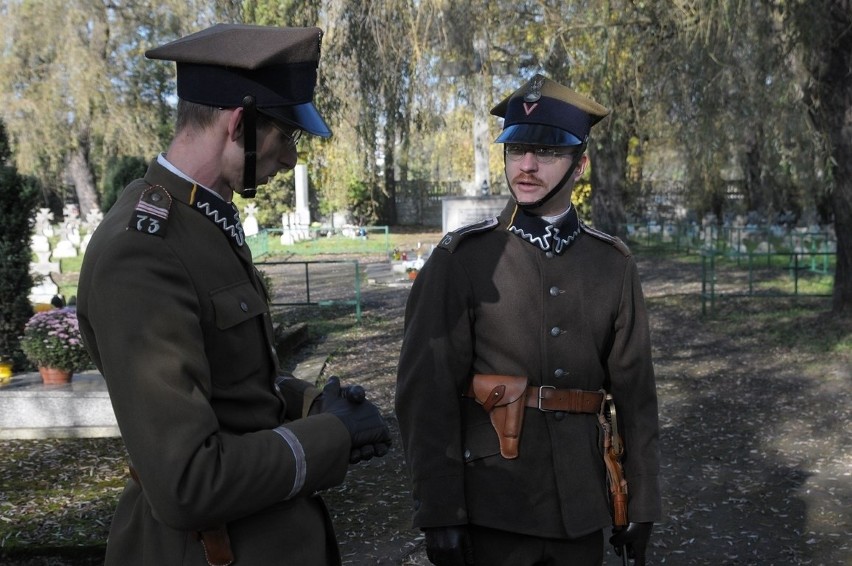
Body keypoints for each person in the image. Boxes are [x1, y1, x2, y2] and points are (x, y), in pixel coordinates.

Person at [77, 24, 391, 566]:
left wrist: (311, 402)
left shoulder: (200, 220)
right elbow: (187, 481)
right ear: (240, 123)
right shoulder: (143, 249)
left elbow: (227, 380)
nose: (291, 158)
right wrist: (331, 435)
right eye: (286, 136)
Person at [395, 74, 661, 566]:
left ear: (580, 164)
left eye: (548, 152)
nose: (528, 165)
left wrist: (640, 503)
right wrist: (439, 512)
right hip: (491, 507)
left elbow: (637, 397)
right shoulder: (463, 260)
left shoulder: (612, 264)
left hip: (582, 506)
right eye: (517, 150)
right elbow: (424, 395)